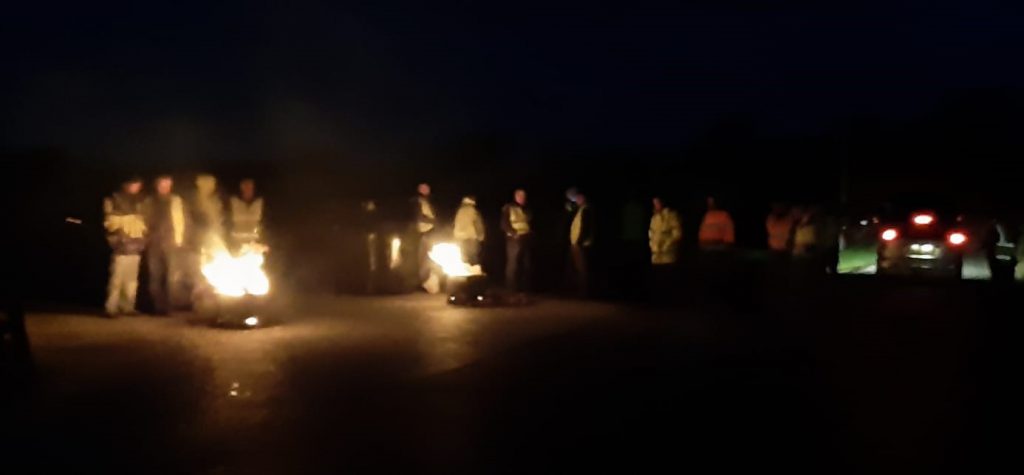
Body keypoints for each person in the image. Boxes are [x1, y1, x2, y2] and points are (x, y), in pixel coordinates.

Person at [143, 175, 188, 315]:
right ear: (157, 186)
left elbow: (183, 220)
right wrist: (146, 237)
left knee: (172, 276)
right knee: (155, 276)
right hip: (154, 242)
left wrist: (180, 240)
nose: (165, 187)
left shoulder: (176, 200)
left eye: (168, 185)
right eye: (162, 185)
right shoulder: (149, 201)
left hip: (171, 242)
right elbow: (143, 220)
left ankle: (169, 306)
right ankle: (157, 307)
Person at [103, 177, 147, 316]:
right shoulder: (114, 199)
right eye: (134, 184)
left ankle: (128, 307)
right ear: (126, 184)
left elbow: (144, 222)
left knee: (132, 279)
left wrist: (143, 235)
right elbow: (109, 222)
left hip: (136, 244)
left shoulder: (140, 201)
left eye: (139, 185)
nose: (137, 187)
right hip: (121, 244)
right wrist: (128, 220)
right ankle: (111, 307)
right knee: (117, 278)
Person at [502, 189, 532, 292]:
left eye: (524, 196)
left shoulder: (526, 209)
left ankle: (524, 288)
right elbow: (504, 223)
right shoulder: (509, 208)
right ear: (516, 197)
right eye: (520, 196)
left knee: (526, 264)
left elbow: (528, 223)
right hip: (514, 239)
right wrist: (513, 233)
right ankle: (511, 288)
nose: (523, 198)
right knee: (513, 264)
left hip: (526, 237)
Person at [567, 193, 595, 296]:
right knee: (575, 268)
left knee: (581, 268)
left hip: (580, 244)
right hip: (575, 243)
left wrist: (579, 241)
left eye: (579, 199)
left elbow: (585, 227)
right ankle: (576, 290)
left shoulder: (586, 210)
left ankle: (582, 292)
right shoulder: (580, 210)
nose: (577, 201)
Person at [410, 183, 437, 289]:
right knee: (424, 259)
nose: (428, 192)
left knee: (427, 258)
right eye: (425, 190)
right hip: (423, 232)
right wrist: (433, 221)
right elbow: (419, 217)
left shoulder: (426, 202)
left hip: (428, 231)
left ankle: (426, 282)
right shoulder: (418, 202)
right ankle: (423, 283)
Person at [229, 178, 264, 249]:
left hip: (255, 244)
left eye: (250, 187)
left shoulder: (259, 203)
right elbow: (227, 222)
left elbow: (265, 223)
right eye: (246, 187)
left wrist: (264, 242)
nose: (248, 190)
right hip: (236, 244)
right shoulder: (234, 202)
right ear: (241, 188)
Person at [649, 197, 682, 265]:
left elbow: (677, 233)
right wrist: (652, 245)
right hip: (656, 253)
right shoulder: (654, 218)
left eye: (657, 203)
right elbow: (651, 233)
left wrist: (667, 245)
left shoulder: (671, 216)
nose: (656, 205)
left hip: (668, 253)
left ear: (662, 203)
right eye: (654, 203)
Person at [453, 195, 485, 265]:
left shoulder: (459, 210)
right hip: (471, 236)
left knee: (463, 257)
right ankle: (475, 273)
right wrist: (481, 235)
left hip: (459, 236)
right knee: (473, 256)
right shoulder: (473, 210)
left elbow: (455, 223)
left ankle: (463, 273)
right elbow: (477, 223)